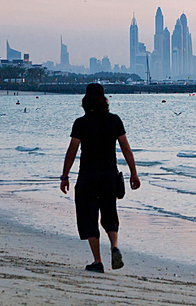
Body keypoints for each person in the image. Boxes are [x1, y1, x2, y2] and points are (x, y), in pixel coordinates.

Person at [60, 83, 140, 273]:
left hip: (88, 176)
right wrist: (133, 173)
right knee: (109, 213)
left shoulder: (81, 123)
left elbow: (71, 151)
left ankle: (97, 261)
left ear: (86, 100)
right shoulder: (114, 120)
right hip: (109, 176)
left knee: (89, 217)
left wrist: (64, 176)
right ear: (104, 99)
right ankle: (114, 246)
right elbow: (126, 148)